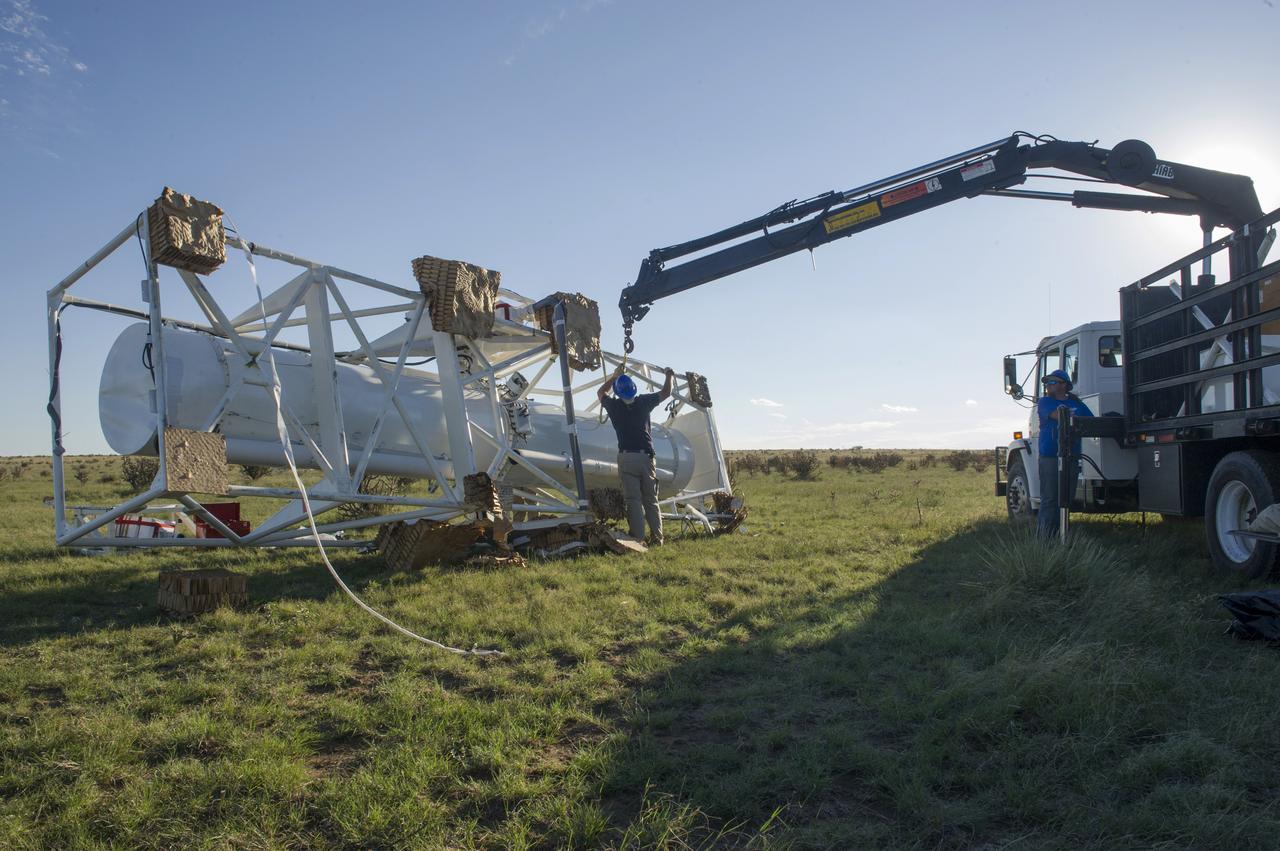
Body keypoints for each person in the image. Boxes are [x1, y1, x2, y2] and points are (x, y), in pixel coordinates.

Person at [597, 364, 675, 545]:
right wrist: (669, 375)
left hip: (626, 458)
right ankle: (657, 538)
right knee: (651, 500)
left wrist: (614, 377)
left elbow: (601, 392)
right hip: (645, 457)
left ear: (618, 391)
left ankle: (638, 538)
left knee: (633, 500)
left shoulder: (614, 406)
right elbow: (666, 392)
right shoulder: (643, 402)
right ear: (633, 389)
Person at [1037, 368, 1094, 539]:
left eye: (1052, 382)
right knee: (1050, 498)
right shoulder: (1045, 402)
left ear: (1064, 385)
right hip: (1050, 457)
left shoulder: (1077, 403)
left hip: (1071, 456)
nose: (1048, 385)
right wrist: (1072, 415)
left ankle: (1062, 534)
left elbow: (1090, 421)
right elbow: (1058, 416)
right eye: (1047, 382)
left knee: (1066, 499)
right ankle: (1044, 538)